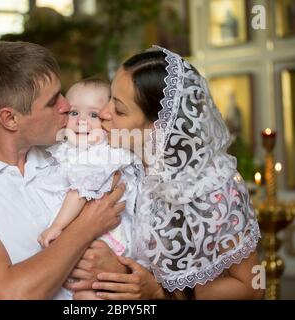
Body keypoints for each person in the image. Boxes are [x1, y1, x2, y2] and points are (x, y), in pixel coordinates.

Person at [0, 41, 126, 300]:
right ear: (10, 119)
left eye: (61, 93)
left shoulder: (73, 154)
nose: (66, 106)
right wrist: (85, 227)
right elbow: (10, 294)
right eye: (52, 102)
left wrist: (121, 271)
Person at [66, 46, 264, 300]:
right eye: (109, 100)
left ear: (158, 127)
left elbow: (251, 286)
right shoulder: (117, 160)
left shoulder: (210, 187)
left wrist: (159, 292)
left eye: (119, 109)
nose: (103, 114)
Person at [37, 78, 142, 299]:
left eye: (93, 115)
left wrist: (56, 226)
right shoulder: (69, 149)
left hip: (107, 235)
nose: (81, 121)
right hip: (87, 231)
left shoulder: (101, 153)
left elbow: (80, 192)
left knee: (88, 291)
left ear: (106, 119)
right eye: (74, 113)